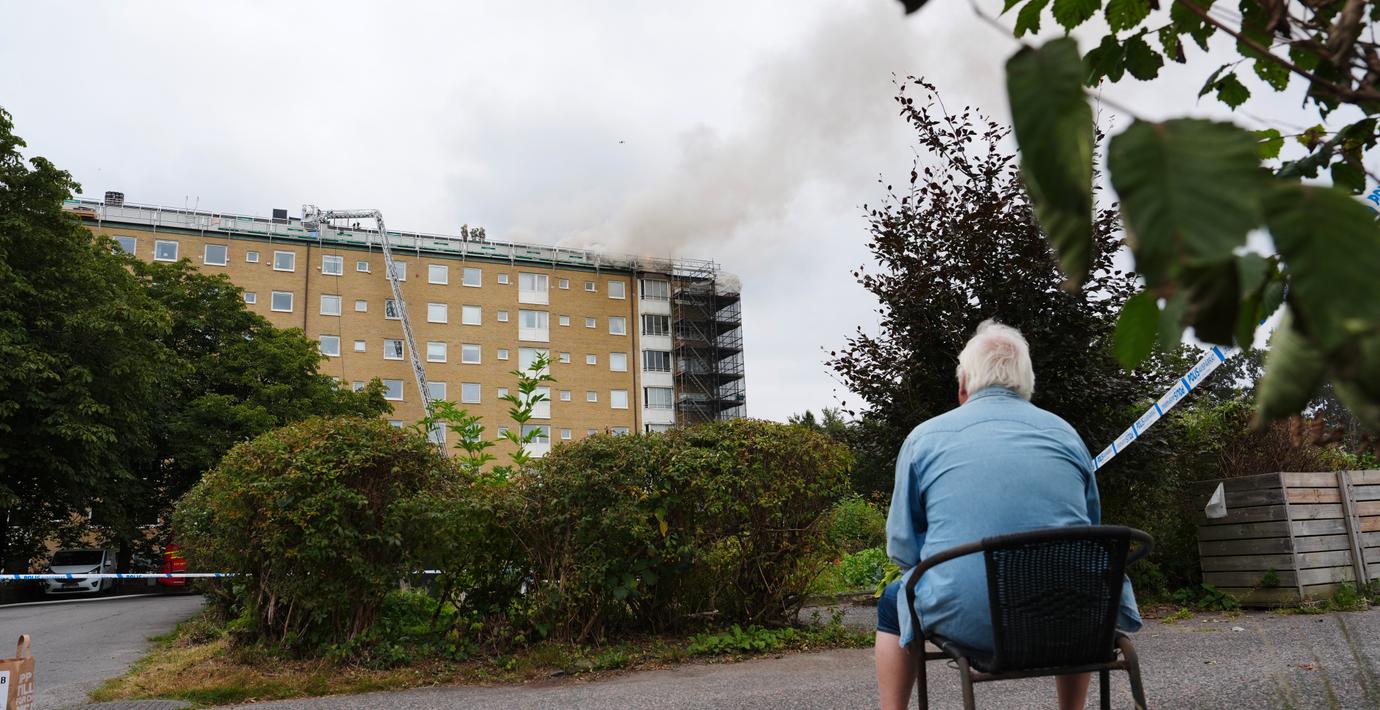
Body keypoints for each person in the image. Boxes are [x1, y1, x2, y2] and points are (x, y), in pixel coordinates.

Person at [874, 320, 1140, 710]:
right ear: (1026, 381)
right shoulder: (1066, 434)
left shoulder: (924, 439)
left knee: (894, 599)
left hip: (972, 621)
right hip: (1077, 619)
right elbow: (1090, 532)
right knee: (1073, 580)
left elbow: (902, 546)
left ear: (963, 383)